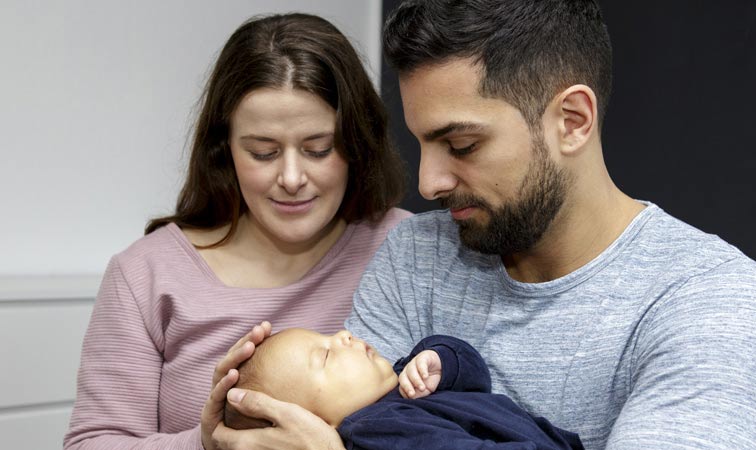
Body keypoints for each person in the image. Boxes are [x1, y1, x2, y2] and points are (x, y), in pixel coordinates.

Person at [218, 1, 756, 449]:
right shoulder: (414, 257)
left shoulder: (708, 299)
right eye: (421, 143)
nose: (427, 183)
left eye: (461, 145)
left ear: (572, 121)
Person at [63, 12, 410, 450]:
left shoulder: (406, 250)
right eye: (263, 153)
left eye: (318, 149)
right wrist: (206, 443)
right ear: (225, 149)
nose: (291, 177)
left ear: (357, 142)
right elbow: (90, 443)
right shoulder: (145, 275)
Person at [225, 328, 584, 450]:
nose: (343, 336)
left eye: (328, 334)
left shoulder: (401, 377)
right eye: (325, 356)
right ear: (312, 424)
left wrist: (441, 359)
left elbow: (477, 380)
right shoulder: (378, 430)